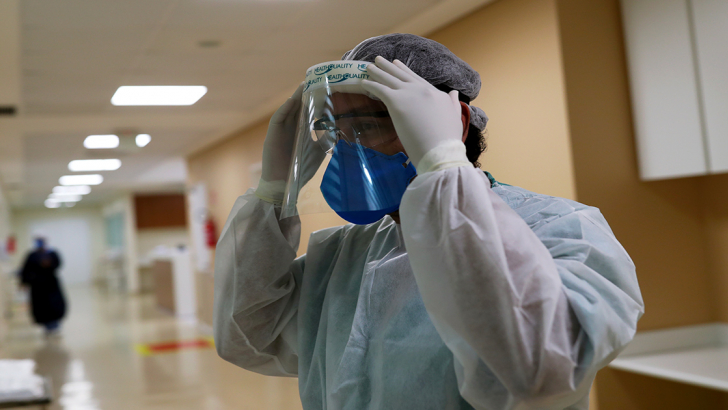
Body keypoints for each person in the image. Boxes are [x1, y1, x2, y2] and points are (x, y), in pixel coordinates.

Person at [214, 34, 644, 409]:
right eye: (336, 132)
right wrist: (273, 190)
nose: (348, 149)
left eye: (365, 126)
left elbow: (541, 376)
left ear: (450, 124)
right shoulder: (344, 253)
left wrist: (442, 165)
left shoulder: (563, 229)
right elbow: (249, 338)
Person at [20, 235, 66, 336]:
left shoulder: (52, 253)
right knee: (41, 307)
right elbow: (25, 269)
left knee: (55, 305)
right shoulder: (32, 255)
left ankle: (54, 324)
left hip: (51, 284)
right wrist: (24, 282)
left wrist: (49, 264)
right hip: (37, 286)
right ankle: (47, 326)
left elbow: (58, 264)